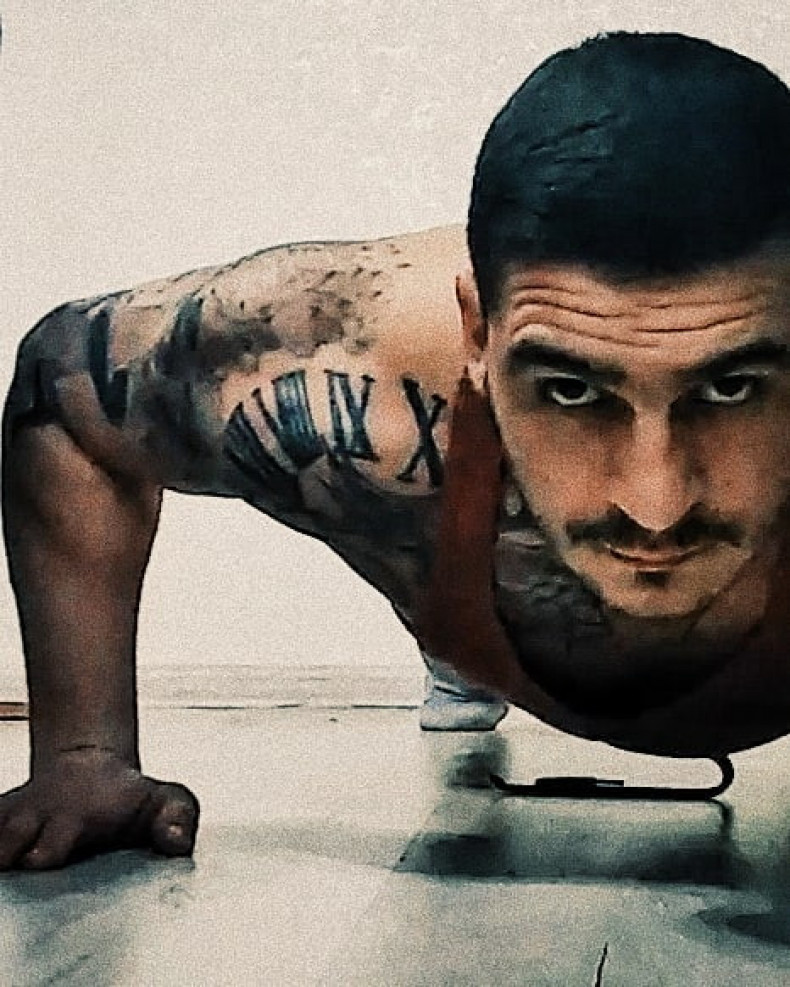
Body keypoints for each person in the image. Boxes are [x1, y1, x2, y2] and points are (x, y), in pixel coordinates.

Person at [3, 30, 790, 870]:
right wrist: (85, 755)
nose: (655, 500)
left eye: (730, 388)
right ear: (477, 335)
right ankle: (464, 658)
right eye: (571, 390)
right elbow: (65, 390)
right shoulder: (351, 371)